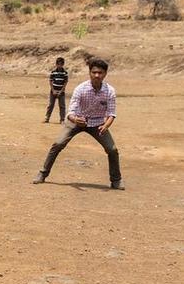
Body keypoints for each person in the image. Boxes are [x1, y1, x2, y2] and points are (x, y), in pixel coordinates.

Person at [32, 58, 124, 189]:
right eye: (94, 72)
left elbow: (111, 113)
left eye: (100, 72)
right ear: (89, 72)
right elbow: (70, 112)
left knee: (112, 149)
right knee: (58, 144)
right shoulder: (80, 89)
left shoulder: (110, 91)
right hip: (76, 121)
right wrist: (76, 120)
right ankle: (42, 173)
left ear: (105, 74)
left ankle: (116, 180)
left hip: (97, 123)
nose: (97, 75)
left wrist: (106, 125)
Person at [45, 57, 69, 123]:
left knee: (62, 106)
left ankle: (62, 119)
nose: (59, 66)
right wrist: (53, 90)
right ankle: (47, 118)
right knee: (50, 105)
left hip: (61, 92)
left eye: (61, 64)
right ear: (56, 64)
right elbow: (50, 81)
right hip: (53, 91)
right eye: (58, 64)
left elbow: (65, 82)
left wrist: (61, 91)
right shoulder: (53, 72)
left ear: (63, 64)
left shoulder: (65, 73)